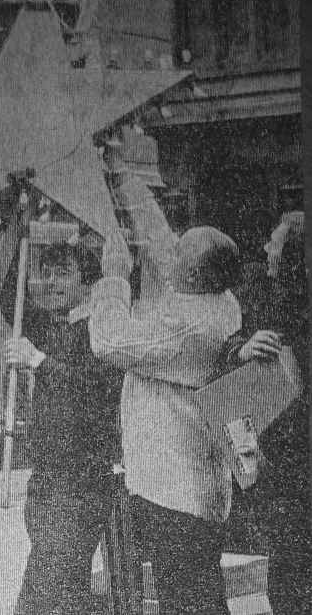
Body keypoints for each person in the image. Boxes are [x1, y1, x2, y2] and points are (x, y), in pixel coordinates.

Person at [89, 225, 244, 614]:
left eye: (177, 253)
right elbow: (171, 276)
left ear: (193, 275)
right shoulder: (221, 301)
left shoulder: (188, 326)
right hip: (196, 483)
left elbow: (109, 341)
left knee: (188, 601)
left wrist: (112, 277)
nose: (166, 257)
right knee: (199, 595)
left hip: (175, 489)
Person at [3, 234, 122, 615]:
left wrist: (38, 360)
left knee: (49, 588)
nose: (51, 282)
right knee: (53, 584)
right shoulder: (59, 325)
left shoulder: (100, 330)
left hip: (80, 480)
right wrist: (12, 230)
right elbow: (10, 298)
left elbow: (96, 389)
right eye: (46, 273)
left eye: (63, 273)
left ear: (87, 280)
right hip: (49, 479)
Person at [220, 210, 310, 613]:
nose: (266, 247)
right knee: (290, 559)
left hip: (294, 440)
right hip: (286, 445)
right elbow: (226, 336)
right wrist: (242, 347)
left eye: (274, 243)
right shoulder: (260, 289)